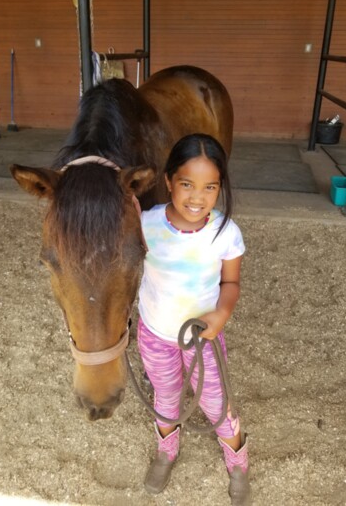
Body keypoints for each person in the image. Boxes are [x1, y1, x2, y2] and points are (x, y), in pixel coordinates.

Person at [137, 133, 251, 505]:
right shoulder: (145, 224)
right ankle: (167, 452)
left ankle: (237, 460)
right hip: (155, 334)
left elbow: (230, 282)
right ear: (168, 181)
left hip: (203, 338)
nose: (197, 198)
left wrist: (222, 313)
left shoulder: (225, 233)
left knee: (216, 402)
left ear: (220, 189)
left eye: (209, 187)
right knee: (166, 398)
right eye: (187, 184)